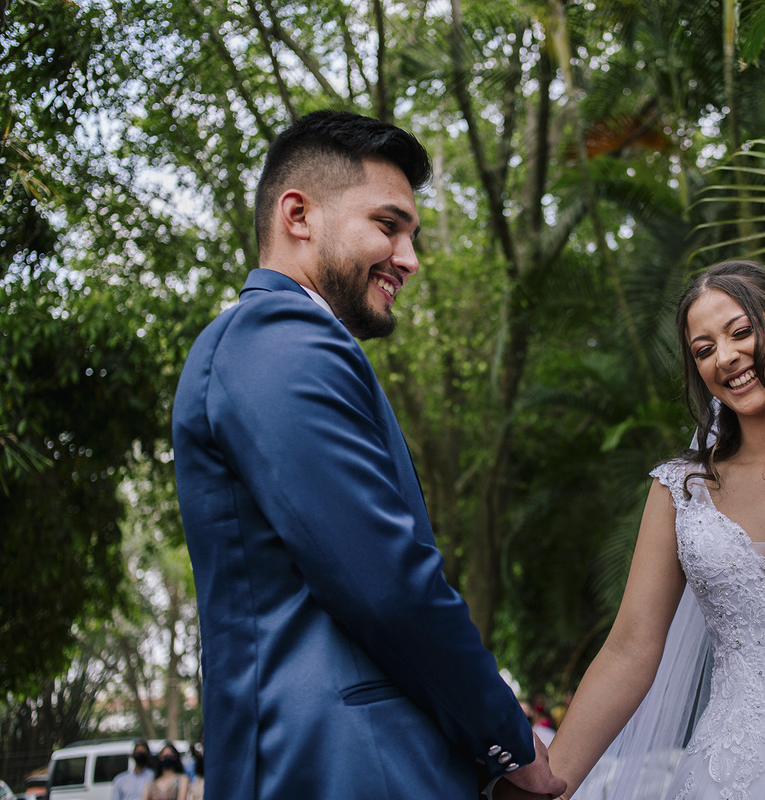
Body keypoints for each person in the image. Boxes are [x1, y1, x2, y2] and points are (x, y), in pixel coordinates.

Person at [172, 109, 564, 800]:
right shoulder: (277, 340)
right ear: (299, 215)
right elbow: (388, 586)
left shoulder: (291, 346)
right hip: (335, 769)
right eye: (388, 226)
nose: (410, 258)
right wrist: (509, 739)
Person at [501, 260, 765, 799]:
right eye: (704, 349)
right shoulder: (680, 491)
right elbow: (630, 650)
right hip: (724, 774)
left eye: (741, 331)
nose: (727, 357)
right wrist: (547, 787)